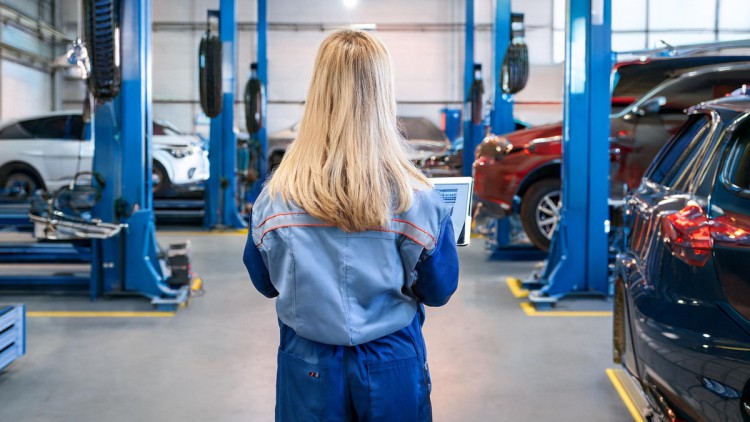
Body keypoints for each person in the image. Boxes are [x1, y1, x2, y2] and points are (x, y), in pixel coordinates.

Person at [243, 28, 459, 422]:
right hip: (390, 361)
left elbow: (265, 283)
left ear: (318, 94)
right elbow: (438, 290)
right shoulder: (418, 199)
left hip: (307, 364)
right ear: (382, 94)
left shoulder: (275, 197)